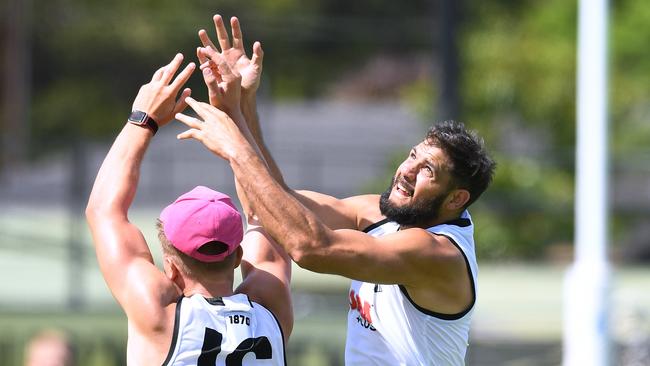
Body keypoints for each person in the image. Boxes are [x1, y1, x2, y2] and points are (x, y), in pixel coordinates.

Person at [176, 27, 496, 363]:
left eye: (427, 170)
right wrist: (239, 105)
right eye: (413, 155)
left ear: (457, 200)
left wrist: (235, 147)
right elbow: (270, 206)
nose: (408, 170)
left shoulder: (436, 253)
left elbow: (311, 247)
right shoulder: (377, 214)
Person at [85, 49, 292, 365]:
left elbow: (104, 211)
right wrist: (236, 110)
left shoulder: (158, 313)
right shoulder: (270, 305)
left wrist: (143, 118)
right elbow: (267, 212)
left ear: (169, 267)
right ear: (237, 257)